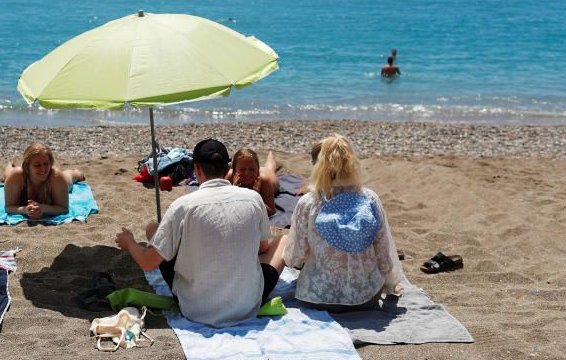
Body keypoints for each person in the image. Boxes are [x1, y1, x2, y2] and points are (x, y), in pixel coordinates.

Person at [115, 139, 287, 328]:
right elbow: (262, 248)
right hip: (246, 304)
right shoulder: (254, 199)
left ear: (196, 169)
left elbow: (148, 263)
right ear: (228, 168)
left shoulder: (183, 205)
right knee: (284, 239)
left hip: (195, 307)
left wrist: (129, 242)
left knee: (154, 230)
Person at [283, 135, 404, 312]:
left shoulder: (309, 202)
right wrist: (391, 283)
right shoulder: (370, 198)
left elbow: (295, 256)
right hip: (366, 297)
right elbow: (384, 254)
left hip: (318, 297)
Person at [3, 141, 85, 219]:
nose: (43, 169)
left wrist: (42, 208)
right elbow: (9, 207)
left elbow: (63, 208)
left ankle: (76, 173)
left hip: (57, 180)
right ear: (27, 166)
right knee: (9, 175)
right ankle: (9, 165)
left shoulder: (56, 176)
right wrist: (25, 210)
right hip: (20, 175)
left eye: (46, 164)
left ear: (50, 163)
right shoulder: (17, 175)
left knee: (68, 177)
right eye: (37, 165)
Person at [226, 148, 281, 216]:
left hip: (269, 176)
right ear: (234, 171)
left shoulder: (264, 180)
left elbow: (271, 211)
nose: (247, 173)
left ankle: (271, 155)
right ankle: (269, 157)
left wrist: (255, 196)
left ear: (257, 170)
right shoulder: (230, 177)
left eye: (251, 169)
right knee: (266, 168)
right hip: (257, 170)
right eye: (242, 169)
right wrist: (233, 191)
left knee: (270, 169)